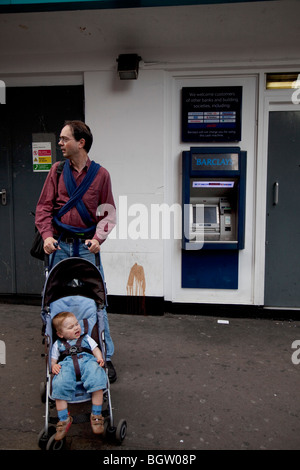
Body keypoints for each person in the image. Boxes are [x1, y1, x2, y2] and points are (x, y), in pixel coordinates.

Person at [35, 120, 117, 382]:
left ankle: (105, 353)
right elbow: (44, 208)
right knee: (55, 298)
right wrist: (47, 236)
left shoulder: (101, 175)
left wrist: (98, 238)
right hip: (59, 245)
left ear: (80, 142)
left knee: (96, 298)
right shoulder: (57, 171)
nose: (60, 143)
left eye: (64, 139)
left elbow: (108, 214)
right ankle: (56, 351)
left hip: (86, 247)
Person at [51, 311, 107, 440]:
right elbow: (53, 359)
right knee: (59, 384)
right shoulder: (58, 344)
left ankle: (96, 415)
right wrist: (54, 365)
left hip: (87, 361)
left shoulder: (86, 338)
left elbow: (95, 349)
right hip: (66, 365)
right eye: (71, 327)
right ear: (60, 334)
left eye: (77, 324)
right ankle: (64, 419)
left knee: (97, 377)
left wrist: (99, 358)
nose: (76, 327)